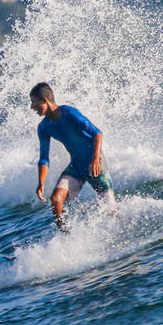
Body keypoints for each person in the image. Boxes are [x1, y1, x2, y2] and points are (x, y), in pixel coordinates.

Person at [30, 82, 113, 231]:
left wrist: (95, 160)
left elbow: (97, 133)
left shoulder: (69, 113)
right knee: (56, 200)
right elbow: (44, 158)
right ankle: (66, 236)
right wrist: (41, 183)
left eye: (34, 101)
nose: (32, 107)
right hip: (76, 166)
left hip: (95, 164)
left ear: (45, 100)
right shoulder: (43, 127)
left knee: (110, 211)